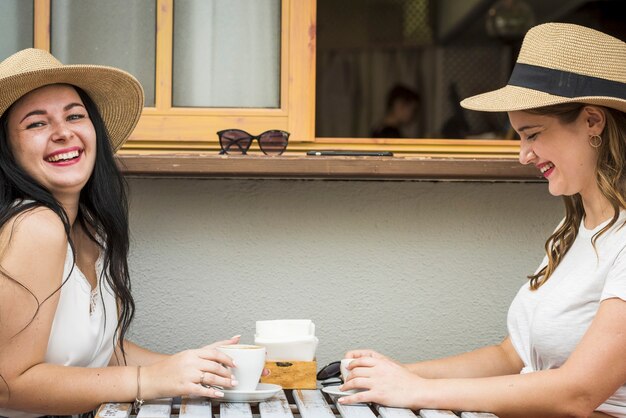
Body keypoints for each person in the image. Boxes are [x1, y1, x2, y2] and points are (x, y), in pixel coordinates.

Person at [340, 23, 626, 418]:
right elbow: (510, 356)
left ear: (593, 122)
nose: (523, 155)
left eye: (533, 134)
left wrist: (418, 391)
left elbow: (577, 394)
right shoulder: (573, 232)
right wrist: (399, 374)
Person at [0, 49, 251, 417]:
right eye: (36, 124)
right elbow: (8, 385)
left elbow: (105, 351)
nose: (63, 132)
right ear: (6, 148)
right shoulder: (36, 225)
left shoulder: (89, 230)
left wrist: (193, 369)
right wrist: (147, 380)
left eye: (74, 115)